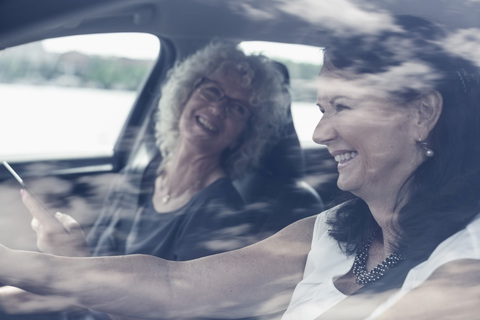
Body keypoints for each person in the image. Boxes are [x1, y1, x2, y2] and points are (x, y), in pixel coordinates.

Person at [1, 15, 480, 319]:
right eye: (321, 110)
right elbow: (173, 285)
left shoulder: (467, 265)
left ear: (422, 115)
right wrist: (14, 262)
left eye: (343, 107)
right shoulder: (331, 228)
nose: (320, 134)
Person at [0, 41, 302, 317]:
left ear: (245, 133)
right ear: (186, 93)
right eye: (212, 91)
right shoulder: (142, 174)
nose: (216, 108)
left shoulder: (221, 213)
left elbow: (158, 307)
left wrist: (71, 258)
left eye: (237, 108)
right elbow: (84, 279)